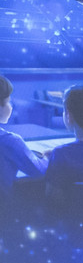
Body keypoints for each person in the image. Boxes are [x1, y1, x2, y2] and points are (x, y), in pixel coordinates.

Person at [0, 74, 47, 202]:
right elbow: (39, 170)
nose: (10, 106)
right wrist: (48, 157)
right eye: (8, 102)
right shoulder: (10, 141)